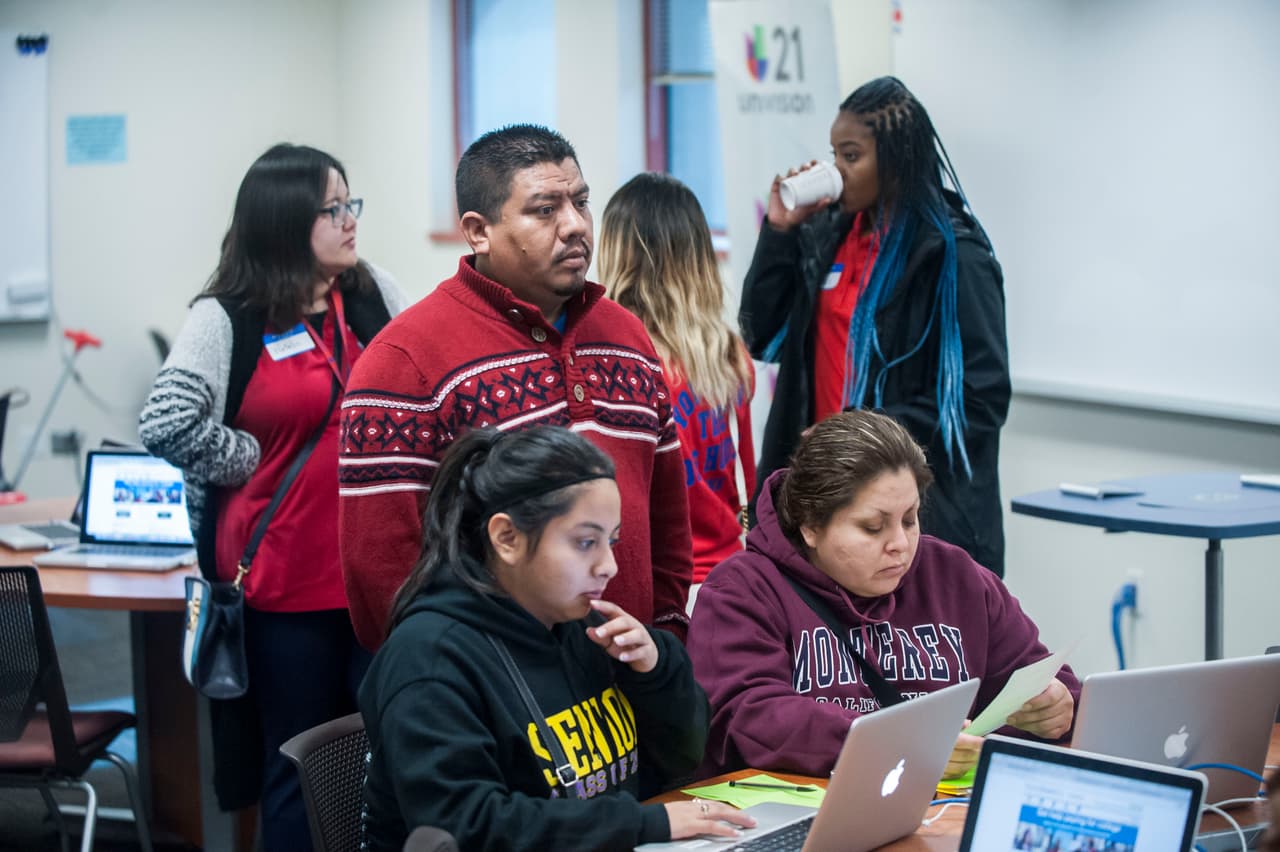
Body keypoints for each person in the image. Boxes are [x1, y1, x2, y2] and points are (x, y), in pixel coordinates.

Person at [138, 143, 405, 849]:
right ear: (286, 221)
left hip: (375, 577)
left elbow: (421, 387)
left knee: (384, 759)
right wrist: (248, 458)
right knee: (297, 764)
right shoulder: (230, 316)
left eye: (351, 203)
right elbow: (164, 422)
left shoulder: (371, 292)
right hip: (281, 589)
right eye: (332, 209)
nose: (350, 220)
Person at [339, 124, 693, 650]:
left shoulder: (626, 335)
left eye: (581, 202)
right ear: (478, 231)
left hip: (631, 673)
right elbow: (384, 572)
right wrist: (460, 679)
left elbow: (666, 518)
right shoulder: (403, 361)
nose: (575, 226)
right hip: (492, 687)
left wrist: (664, 644)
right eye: (545, 210)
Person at [358, 426, 754, 851]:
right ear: (507, 538)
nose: (609, 566)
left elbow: (683, 759)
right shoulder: (428, 660)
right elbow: (469, 826)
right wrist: (643, 824)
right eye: (585, 542)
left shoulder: (582, 627)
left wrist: (655, 673)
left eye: (611, 542)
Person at [686, 410, 1078, 781]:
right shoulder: (741, 591)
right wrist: (890, 742)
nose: (900, 544)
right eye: (873, 527)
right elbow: (749, 716)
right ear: (810, 526)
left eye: (910, 519)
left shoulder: (958, 577)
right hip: (796, 811)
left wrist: (1056, 706)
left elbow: (1039, 677)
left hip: (937, 810)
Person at [740, 75, 1010, 576]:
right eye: (835, 155)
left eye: (851, 156)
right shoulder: (827, 235)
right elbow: (761, 335)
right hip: (827, 507)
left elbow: (982, 399)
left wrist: (860, 432)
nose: (836, 170)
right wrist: (779, 231)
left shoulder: (953, 255)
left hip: (913, 521)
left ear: (896, 160)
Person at [598, 172, 755, 585]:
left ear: (617, 254)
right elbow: (745, 477)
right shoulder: (729, 354)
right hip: (729, 572)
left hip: (658, 577)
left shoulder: (616, 364)